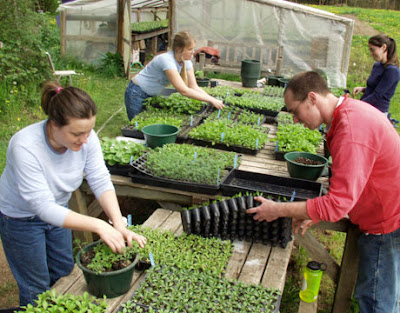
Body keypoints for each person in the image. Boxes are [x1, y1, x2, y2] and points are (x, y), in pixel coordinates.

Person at [247, 71, 400, 313]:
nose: (295, 120)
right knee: (376, 291)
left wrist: (277, 209)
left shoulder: (350, 131)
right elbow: (347, 187)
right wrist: (315, 212)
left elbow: (337, 205)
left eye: (295, 111)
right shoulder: (346, 116)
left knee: (375, 300)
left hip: (387, 220)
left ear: (312, 98)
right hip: (384, 208)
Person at [0, 82, 147, 306]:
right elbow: (42, 207)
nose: (85, 140)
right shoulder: (25, 146)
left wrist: (118, 222)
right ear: (54, 124)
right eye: (77, 133)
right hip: (21, 219)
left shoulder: (86, 139)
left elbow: (99, 178)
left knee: (63, 272)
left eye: (89, 131)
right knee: (36, 287)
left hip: (59, 212)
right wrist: (99, 226)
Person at [124, 31, 224, 120]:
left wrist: (212, 99)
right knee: (137, 125)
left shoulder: (186, 61)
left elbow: (193, 86)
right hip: (137, 93)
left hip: (152, 94)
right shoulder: (167, 61)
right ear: (179, 49)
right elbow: (183, 90)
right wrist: (210, 100)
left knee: (148, 123)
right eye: (190, 49)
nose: (193, 52)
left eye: (193, 48)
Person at [353, 34, 400, 114]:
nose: (371, 54)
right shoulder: (377, 65)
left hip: (377, 112)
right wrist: (363, 89)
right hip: (367, 108)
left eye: (373, 50)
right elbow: (375, 88)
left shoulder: (392, 71)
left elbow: (377, 95)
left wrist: (356, 105)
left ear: (384, 47)